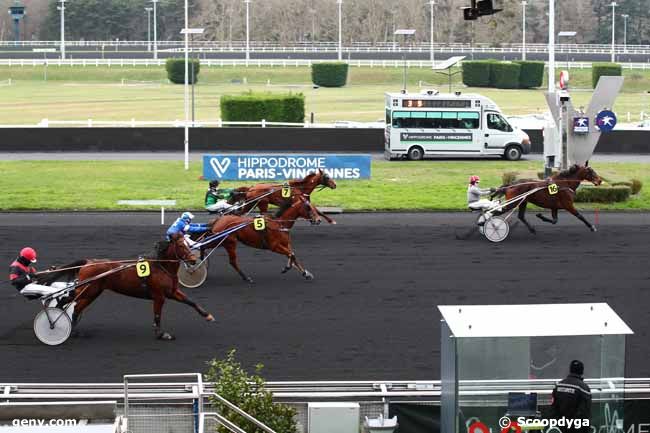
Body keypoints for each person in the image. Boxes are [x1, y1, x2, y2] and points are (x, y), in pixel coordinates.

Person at [550, 360, 591, 432]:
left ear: (570, 370)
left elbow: (553, 407)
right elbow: (584, 412)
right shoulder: (583, 388)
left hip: (562, 427)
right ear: (582, 371)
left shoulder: (559, 385)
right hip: (577, 428)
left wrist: (561, 424)